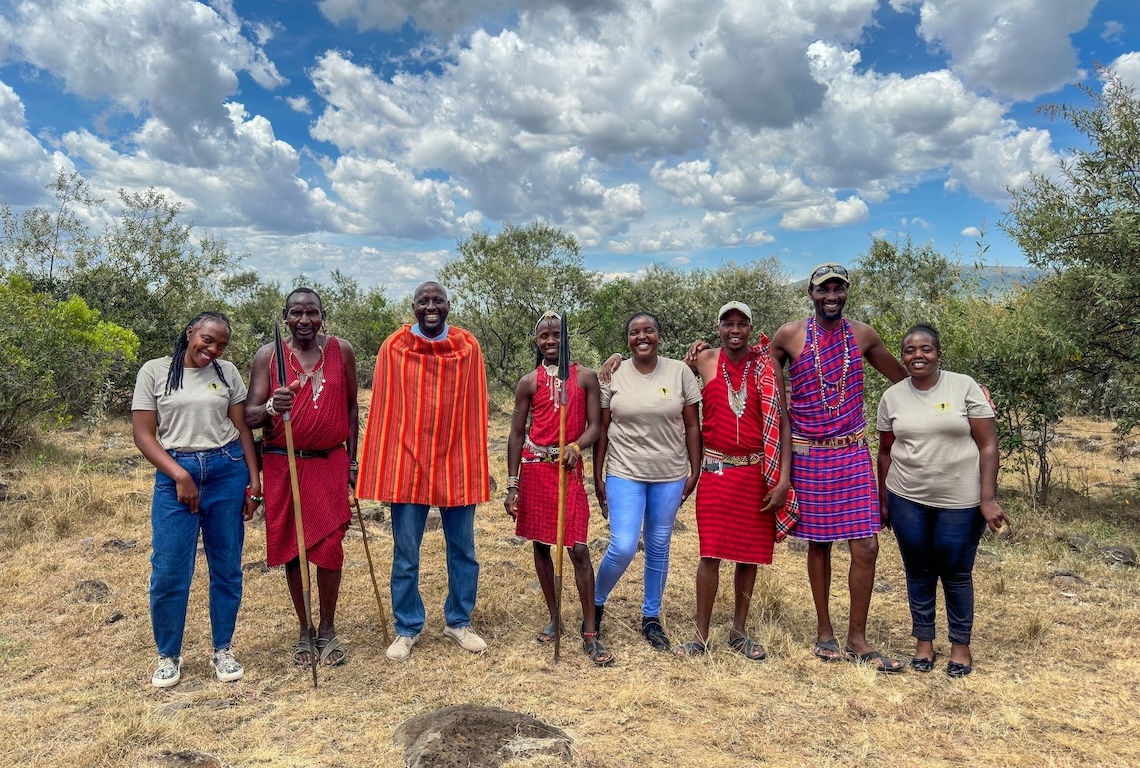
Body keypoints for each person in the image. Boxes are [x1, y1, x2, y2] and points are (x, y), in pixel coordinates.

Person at [767, 263, 907, 671]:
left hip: (852, 452)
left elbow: (904, 378)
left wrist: (958, 387)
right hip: (809, 453)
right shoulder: (789, 336)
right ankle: (825, 631)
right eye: (824, 289)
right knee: (820, 543)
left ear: (846, 293)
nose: (832, 296)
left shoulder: (862, 335)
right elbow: (758, 371)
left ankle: (857, 638)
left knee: (866, 545)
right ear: (810, 293)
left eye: (839, 289)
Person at [356, 281, 490, 661]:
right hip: (407, 458)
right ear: (413, 307)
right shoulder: (394, 347)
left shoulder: (467, 347)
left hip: (457, 457)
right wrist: (385, 458)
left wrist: (469, 453)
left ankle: (458, 621)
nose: (431, 307)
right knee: (406, 551)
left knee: (463, 548)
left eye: (438, 301)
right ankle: (407, 627)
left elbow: (475, 406)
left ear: (449, 305)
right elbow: (385, 407)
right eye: (423, 302)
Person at [132, 311, 261, 688]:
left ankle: (223, 649)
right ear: (190, 332)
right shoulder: (155, 372)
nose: (213, 349)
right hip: (176, 475)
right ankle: (168, 655)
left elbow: (240, 429)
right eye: (207, 339)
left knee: (227, 567)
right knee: (170, 569)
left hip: (226, 470)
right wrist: (180, 474)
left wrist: (253, 483)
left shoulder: (227, 372)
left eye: (221, 344)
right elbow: (143, 434)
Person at [876, 324, 1005, 678]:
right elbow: (886, 451)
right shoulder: (892, 397)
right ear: (903, 356)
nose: (918, 355)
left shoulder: (963, 386)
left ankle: (960, 646)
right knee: (918, 570)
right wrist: (883, 500)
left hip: (961, 500)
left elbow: (988, 444)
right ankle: (924, 643)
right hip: (907, 497)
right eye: (910, 350)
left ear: (938, 354)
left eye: (926, 349)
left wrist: (987, 498)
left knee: (956, 571)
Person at [677, 302, 798, 660]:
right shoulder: (703, 360)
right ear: (717, 328)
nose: (735, 330)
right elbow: (663, 376)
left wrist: (783, 479)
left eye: (741, 324)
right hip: (716, 470)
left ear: (749, 327)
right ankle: (700, 635)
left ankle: (739, 631)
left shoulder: (767, 364)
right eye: (727, 323)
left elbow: (783, 422)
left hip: (756, 472)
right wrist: (615, 361)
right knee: (710, 553)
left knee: (749, 556)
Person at [246, 288, 358, 668]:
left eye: (312, 313)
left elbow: (352, 407)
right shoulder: (268, 355)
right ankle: (304, 628)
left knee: (329, 547)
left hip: (330, 462)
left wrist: (353, 465)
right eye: (296, 313)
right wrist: (271, 407)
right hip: (284, 461)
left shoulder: (340, 350)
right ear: (286, 316)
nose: (305, 320)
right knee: (294, 546)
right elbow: (249, 416)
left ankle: (327, 627)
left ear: (323, 316)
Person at [505, 311, 613, 666]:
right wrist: (512, 485)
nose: (550, 341)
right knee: (540, 545)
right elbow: (517, 434)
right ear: (536, 342)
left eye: (556, 335)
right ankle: (555, 617)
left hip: (567, 469)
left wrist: (576, 446)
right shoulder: (528, 382)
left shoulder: (584, 378)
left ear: (565, 338)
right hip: (535, 469)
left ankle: (590, 629)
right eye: (543, 337)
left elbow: (596, 426)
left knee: (579, 549)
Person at [593, 312, 702, 652]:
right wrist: (597, 475)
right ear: (626, 339)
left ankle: (651, 617)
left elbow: (692, 426)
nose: (642, 337)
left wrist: (694, 470)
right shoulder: (614, 373)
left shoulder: (680, 371)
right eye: (635, 332)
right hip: (624, 472)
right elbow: (602, 430)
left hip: (669, 474)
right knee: (623, 545)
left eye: (649, 331)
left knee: (658, 546)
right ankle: (594, 605)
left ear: (659, 335)